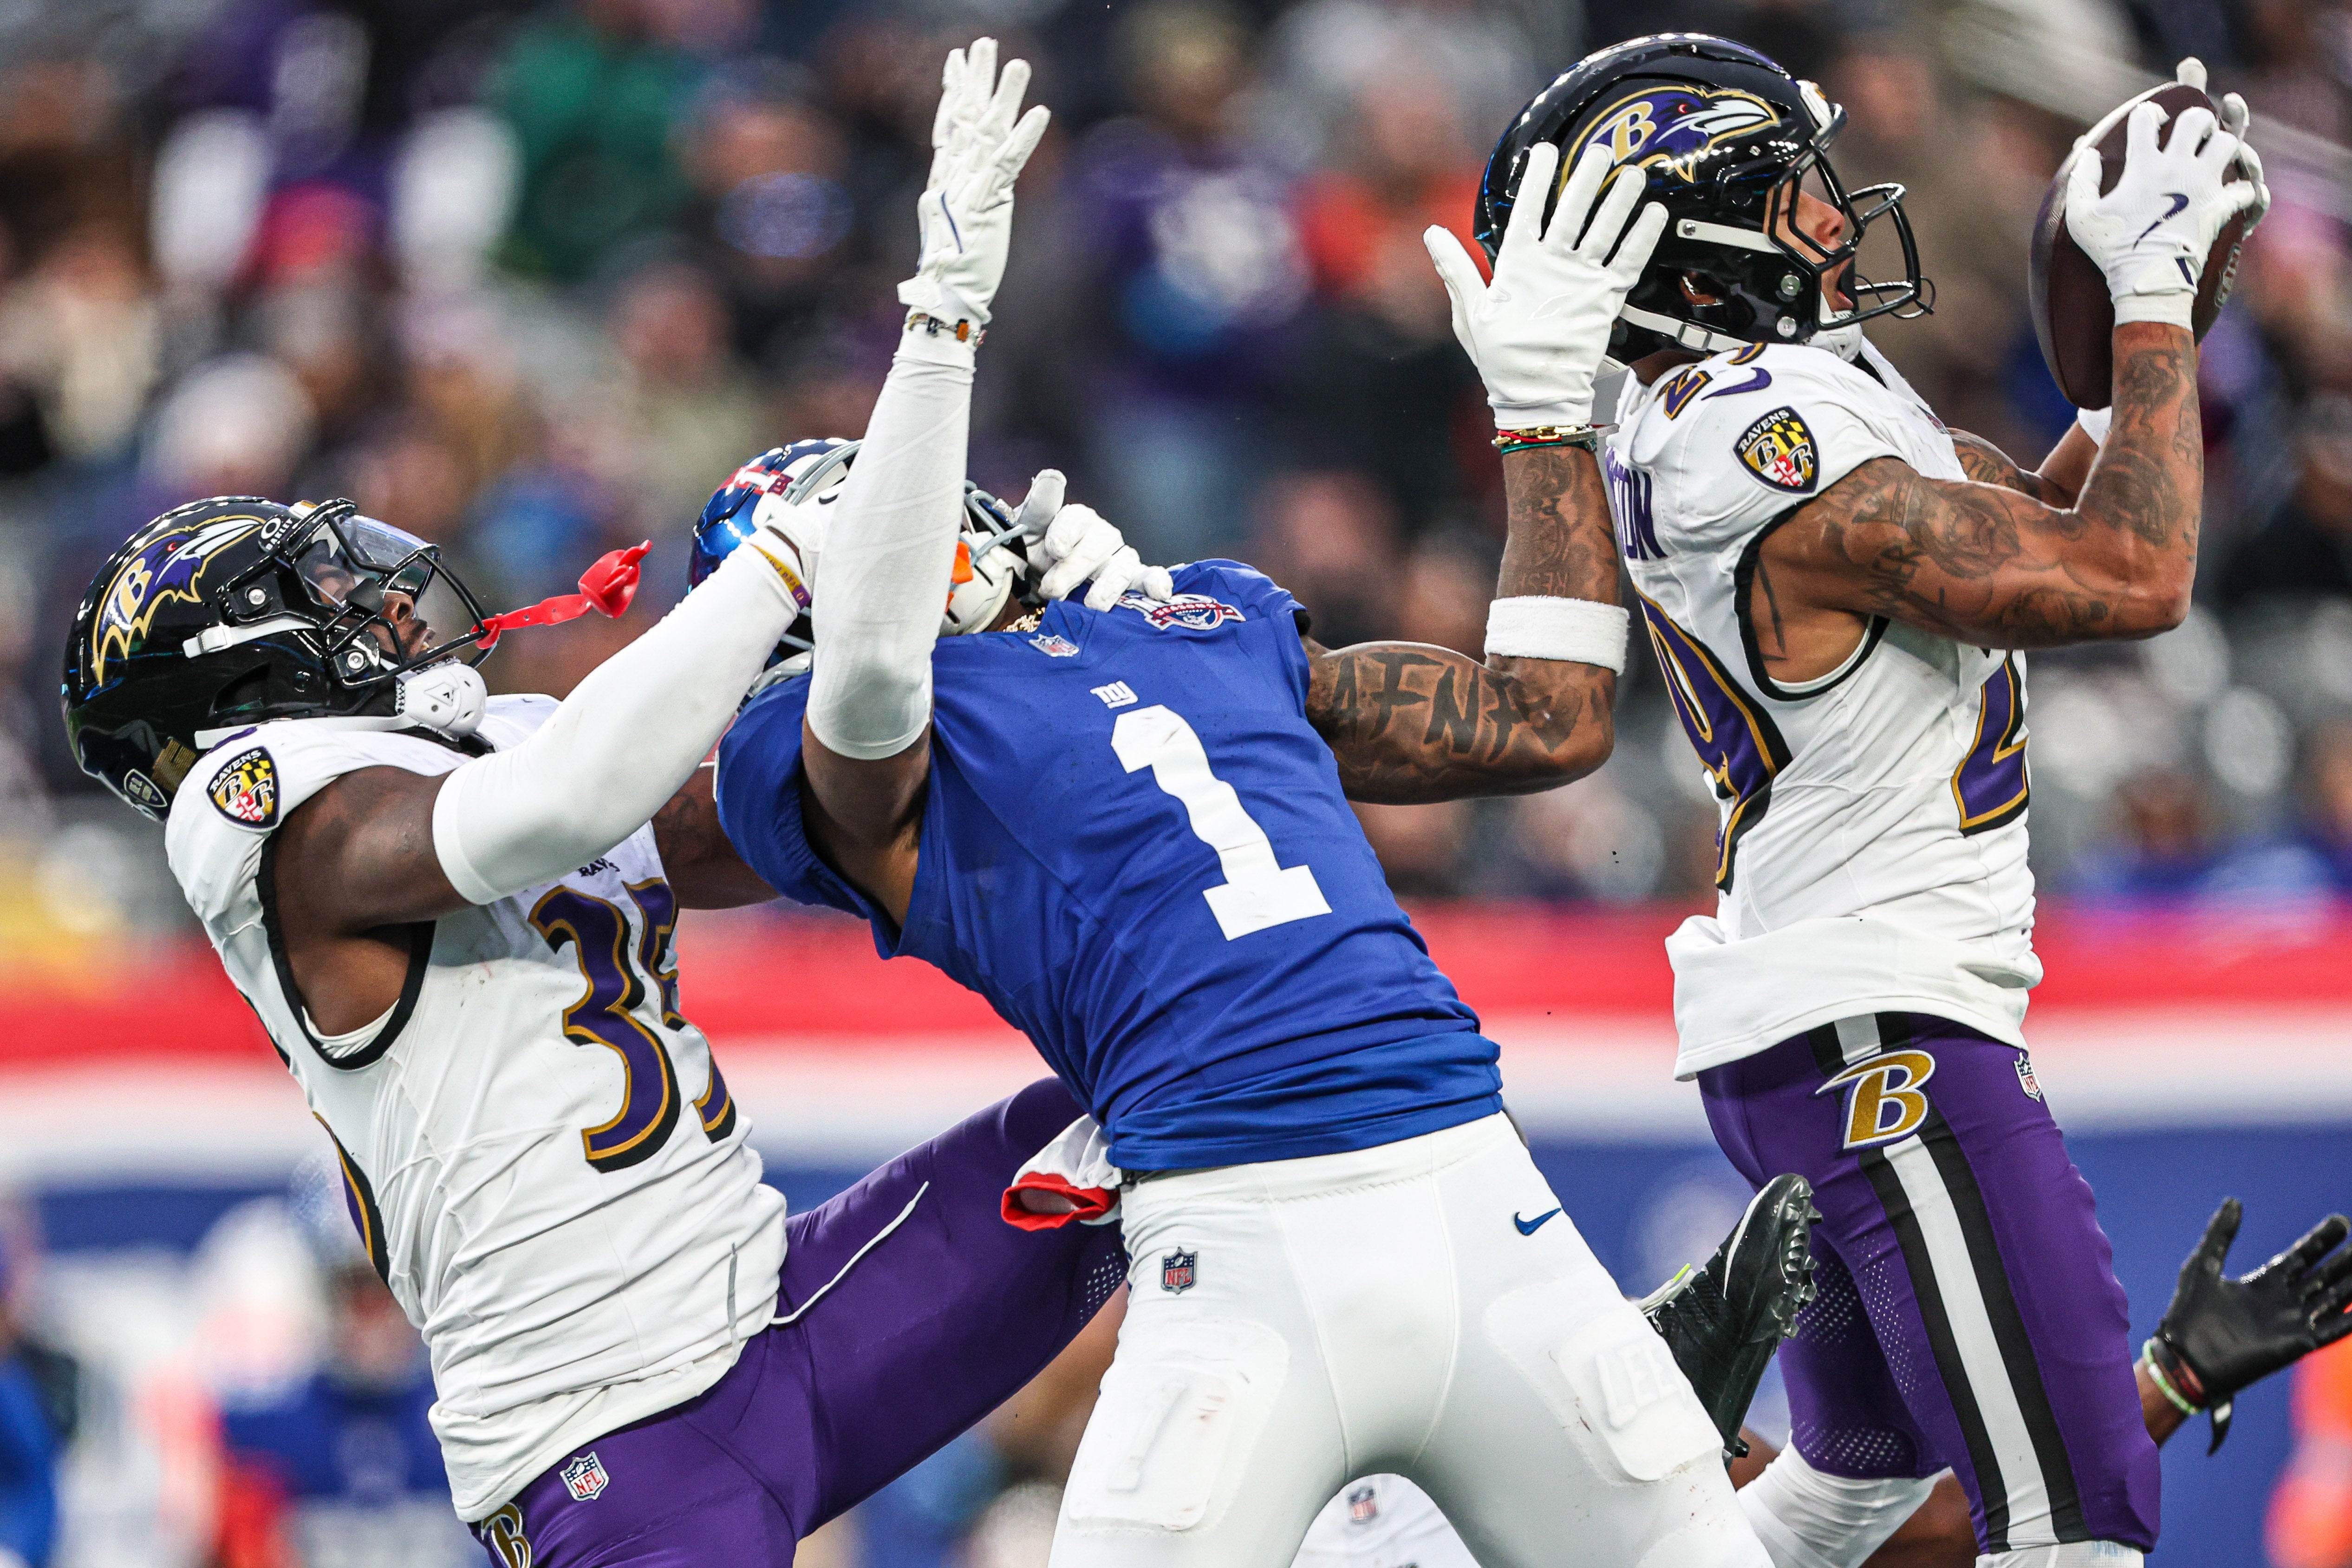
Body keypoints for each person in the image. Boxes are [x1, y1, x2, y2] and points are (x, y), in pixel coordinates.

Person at [56, 45, 1158, 1567]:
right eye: (314, 590)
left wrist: (973, 622)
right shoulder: (263, 815)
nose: (372, 594)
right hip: (609, 1447)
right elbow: (546, 815)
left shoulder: (496, 737)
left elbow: (794, 816)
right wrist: (781, 563)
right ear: (238, 667)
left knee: (1183, 1095)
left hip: (781, 1320)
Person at [700, 45, 1785, 1564]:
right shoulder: (825, 756)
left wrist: (1544, 417)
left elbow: (1547, 721)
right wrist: (940, 321)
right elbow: (871, 677)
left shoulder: (1193, 615)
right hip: (1234, 1228)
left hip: (1477, 1176)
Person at [1477, 32, 2270, 1568]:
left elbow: (2046, 517)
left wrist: (2148, 341)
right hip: (1879, 1030)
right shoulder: (1754, 437)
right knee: (2079, 1523)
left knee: (1846, 1498)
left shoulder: (1763, 404)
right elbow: (2128, 574)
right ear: (1697, 262)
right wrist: (2152, 295)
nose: (1836, 215)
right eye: (1791, 193)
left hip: (1827, 1023)